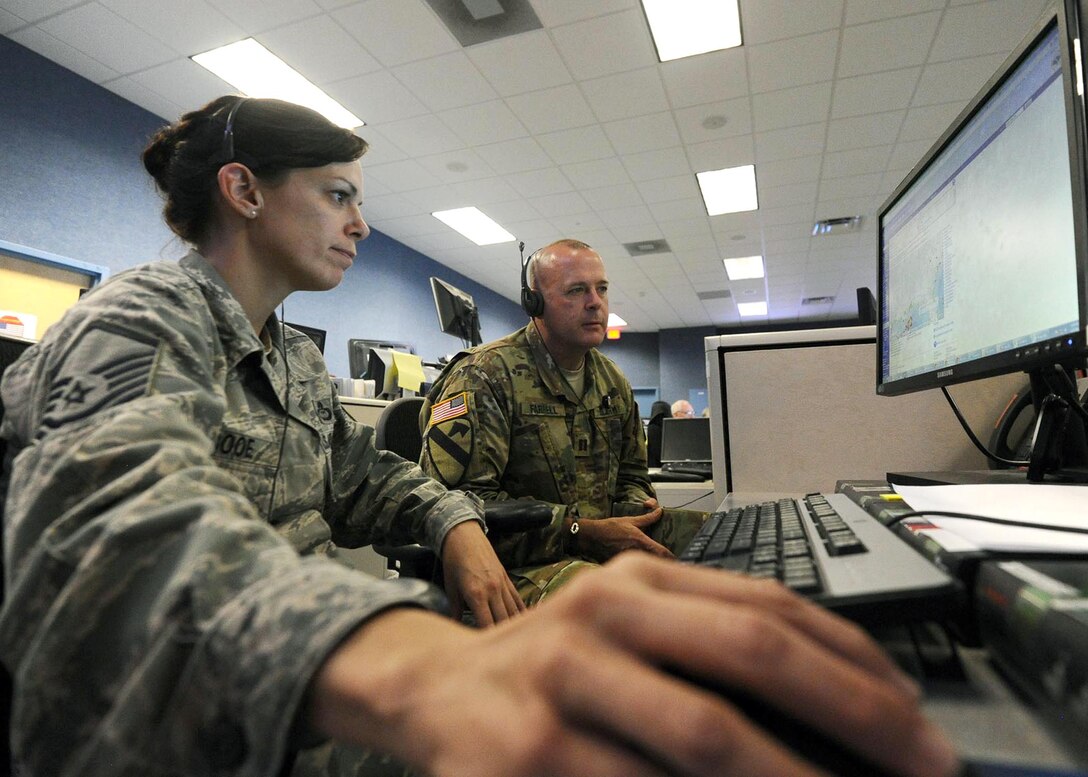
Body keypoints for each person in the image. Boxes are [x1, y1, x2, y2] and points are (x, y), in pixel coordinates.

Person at [0, 96, 960, 777]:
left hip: (311, 709)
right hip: (181, 732)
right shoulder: (139, 314)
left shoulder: (287, 354)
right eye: (338, 194)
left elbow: (375, 477)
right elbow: (113, 521)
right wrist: (416, 668)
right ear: (245, 190)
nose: (362, 223)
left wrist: (454, 523)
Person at [420, 240, 705, 605]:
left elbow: (633, 474)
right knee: (616, 597)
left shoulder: (610, 379)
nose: (595, 302)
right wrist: (580, 532)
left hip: (596, 544)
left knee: (724, 541)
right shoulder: (483, 376)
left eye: (601, 289)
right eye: (576, 290)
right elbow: (457, 506)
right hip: (511, 564)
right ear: (534, 303)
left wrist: (634, 516)